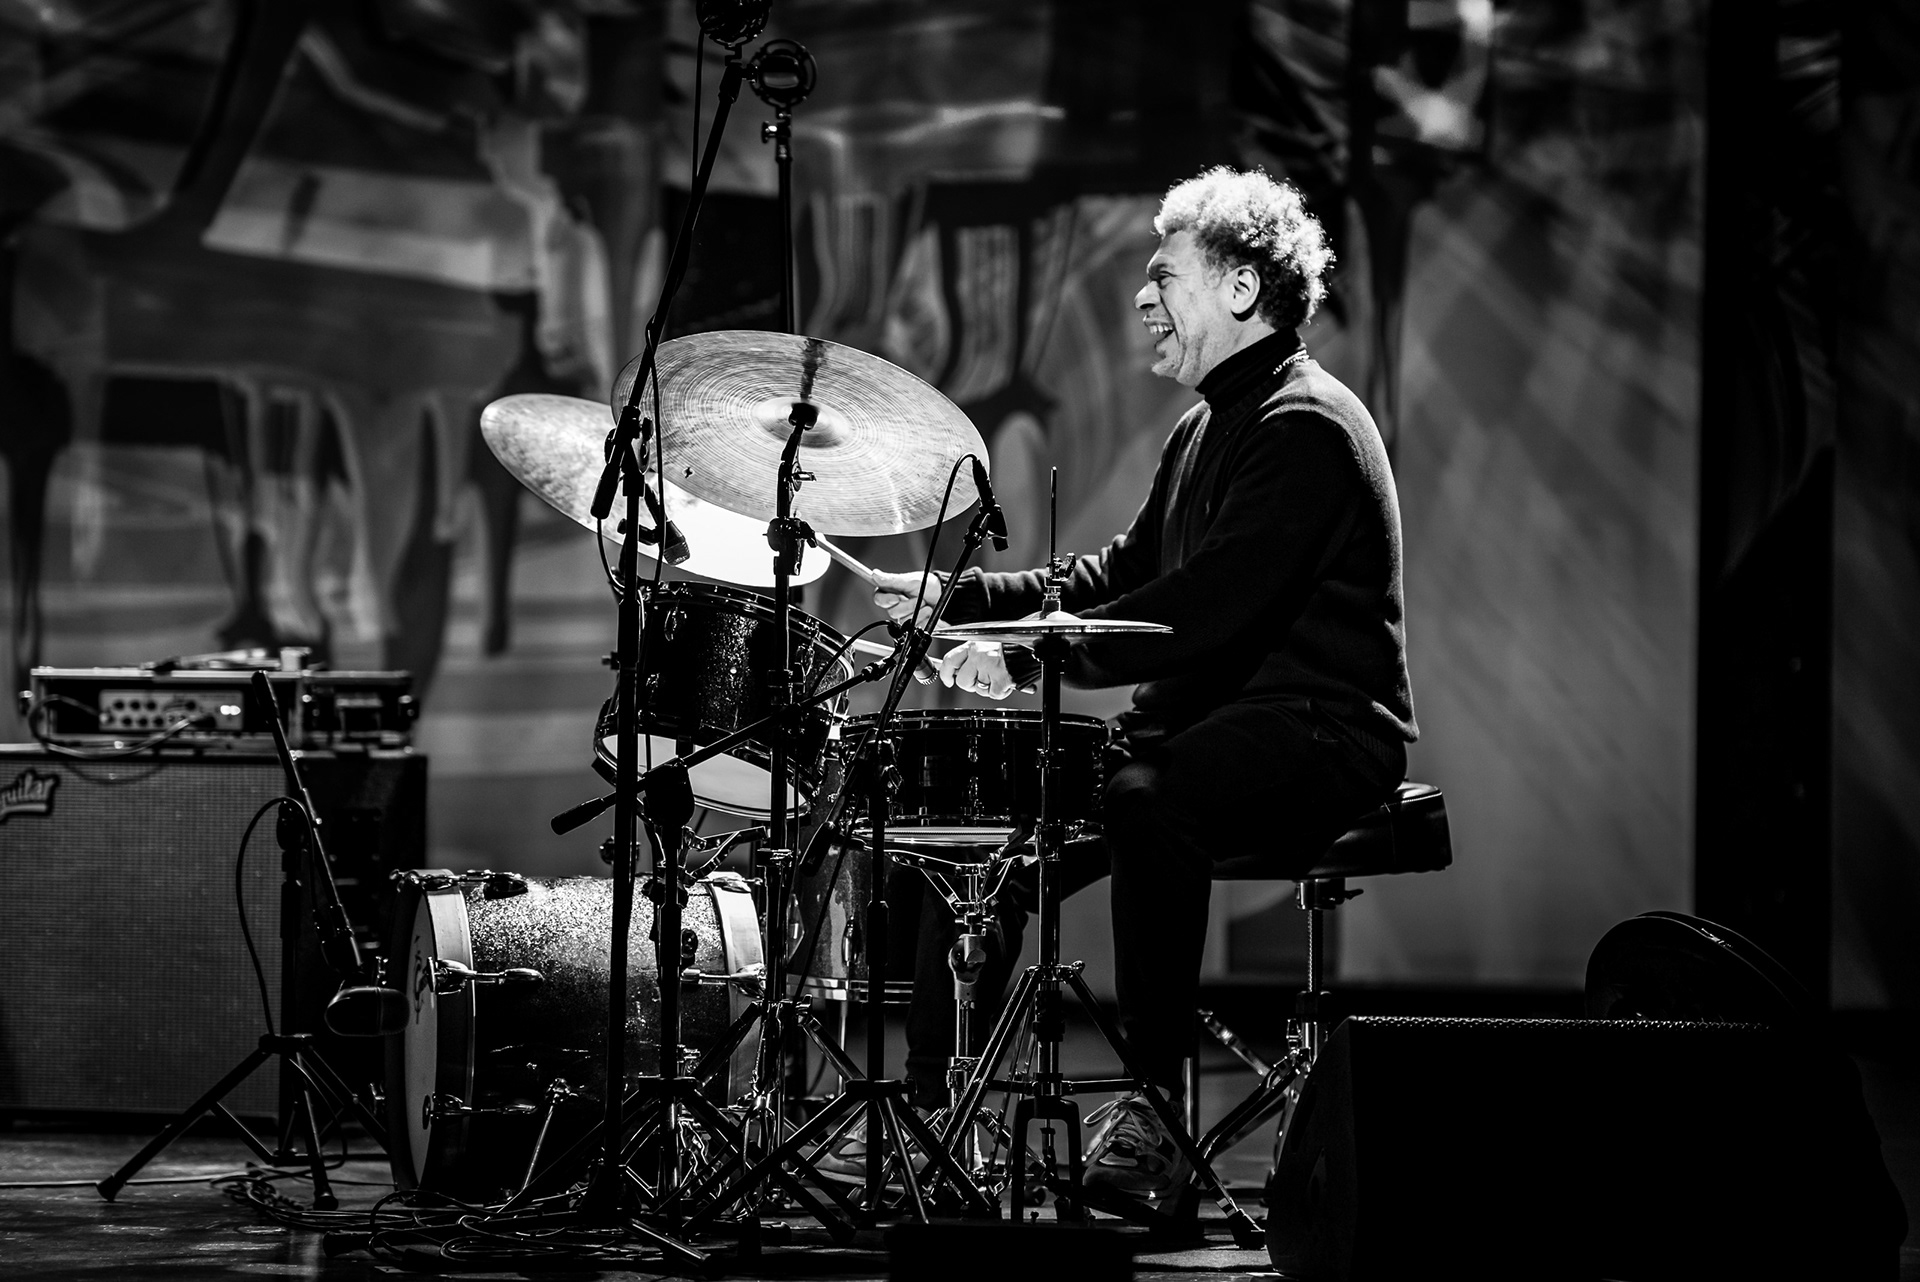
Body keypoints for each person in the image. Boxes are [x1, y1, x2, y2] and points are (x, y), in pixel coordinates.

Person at [842, 165, 1418, 1208]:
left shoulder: (1308, 427)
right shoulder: (1203, 428)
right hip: (1209, 725)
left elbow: (1199, 610)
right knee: (992, 822)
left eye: (1164, 277)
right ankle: (933, 1118)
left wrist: (1028, 657)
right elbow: (1117, 575)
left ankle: (1156, 1117)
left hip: (1323, 731)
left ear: (1240, 288)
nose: (1143, 297)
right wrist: (959, 602)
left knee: (1151, 798)